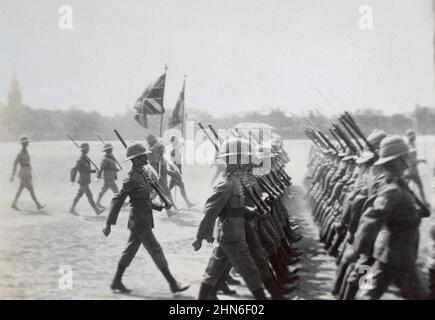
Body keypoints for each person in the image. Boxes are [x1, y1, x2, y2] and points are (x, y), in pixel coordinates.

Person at [102, 143, 189, 294]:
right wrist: (109, 223)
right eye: (143, 156)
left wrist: (160, 206)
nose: (146, 157)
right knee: (156, 249)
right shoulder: (131, 179)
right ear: (135, 160)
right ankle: (173, 283)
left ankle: (116, 281)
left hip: (143, 218)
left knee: (130, 250)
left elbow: (145, 200)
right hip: (139, 220)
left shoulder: (143, 174)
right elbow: (118, 200)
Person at [193, 137, 267, 300]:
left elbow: (234, 208)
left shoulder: (235, 181)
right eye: (244, 157)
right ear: (234, 160)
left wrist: (249, 212)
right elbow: (210, 211)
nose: (248, 161)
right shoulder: (226, 184)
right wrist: (199, 237)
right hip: (232, 235)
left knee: (212, 272)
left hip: (231, 233)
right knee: (250, 272)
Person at [354, 135, 426, 300]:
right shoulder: (392, 190)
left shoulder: (398, 185)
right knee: (418, 294)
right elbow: (370, 219)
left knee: (369, 292)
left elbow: (398, 215)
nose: (408, 159)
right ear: (396, 161)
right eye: (405, 156)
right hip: (397, 253)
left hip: (394, 252)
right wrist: (362, 251)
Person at [10, 135, 45, 210]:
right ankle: (38, 204)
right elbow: (15, 163)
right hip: (24, 173)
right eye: (26, 142)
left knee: (20, 189)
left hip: (27, 172)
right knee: (31, 189)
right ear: (24, 143)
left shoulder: (25, 151)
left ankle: (13, 204)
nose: (28, 143)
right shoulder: (20, 153)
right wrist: (12, 175)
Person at [69, 143, 104, 215]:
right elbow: (74, 169)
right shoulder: (81, 160)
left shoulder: (86, 159)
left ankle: (71, 209)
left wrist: (94, 171)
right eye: (87, 148)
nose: (88, 149)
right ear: (85, 150)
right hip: (83, 181)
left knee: (79, 195)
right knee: (89, 195)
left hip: (85, 181)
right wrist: (72, 180)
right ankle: (97, 210)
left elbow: (86, 170)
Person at [147, 134, 176, 214]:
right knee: (162, 192)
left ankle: (170, 209)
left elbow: (163, 150)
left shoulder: (157, 151)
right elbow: (156, 163)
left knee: (160, 192)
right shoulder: (152, 151)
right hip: (157, 174)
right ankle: (169, 211)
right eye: (155, 141)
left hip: (160, 173)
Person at [404, 130, 427, 204]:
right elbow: (412, 161)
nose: (415, 137)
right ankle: (424, 202)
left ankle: (423, 202)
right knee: (419, 187)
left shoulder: (411, 144)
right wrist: (421, 160)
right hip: (412, 171)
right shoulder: (409, 146)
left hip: (409, 170)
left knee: (406, 187)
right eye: (413, 135)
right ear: (409, 136)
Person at [96, 143, 120, 208]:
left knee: (104, 190)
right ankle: (119, 203)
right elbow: (101, 168)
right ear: (107, 150)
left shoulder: (111, 157)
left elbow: (111, 166)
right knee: (115, 190)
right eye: (110, 149)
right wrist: (98, 177)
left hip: (111, 176)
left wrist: (116, 169)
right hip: (108, 177)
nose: (112, 150)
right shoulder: (105, 159)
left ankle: (97, 203)